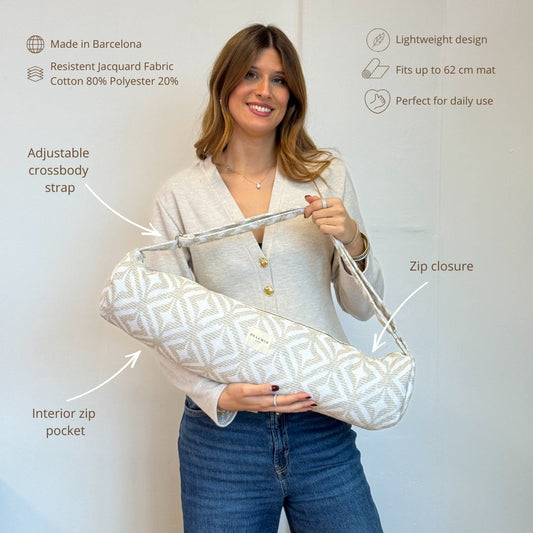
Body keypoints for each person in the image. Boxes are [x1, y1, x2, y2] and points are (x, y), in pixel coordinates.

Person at [149, 23, 384, 533]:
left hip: (322, 424)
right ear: (225, 83)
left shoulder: (326, 176)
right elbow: (164, 325)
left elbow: (364, 306)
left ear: (292, 96)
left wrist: (353, 240)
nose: (264, 90)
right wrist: (218, 395)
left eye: (279, 80)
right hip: (222, 443)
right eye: (251, 74)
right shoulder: (180, 196)